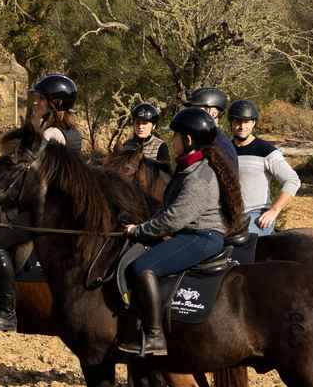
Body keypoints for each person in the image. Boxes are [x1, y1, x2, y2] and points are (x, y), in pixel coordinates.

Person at [118, 107, 243, 357]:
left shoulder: (199, 175)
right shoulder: (190, 167)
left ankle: (154, 336)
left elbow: (174, 218)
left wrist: (139, 231)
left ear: (187, 140)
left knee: (143, 268)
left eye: (175, 136)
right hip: (192, 233)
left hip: (201, 237)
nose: (171, 141)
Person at [0, 73, 81, 333]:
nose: (36, 103)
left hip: (45, 211)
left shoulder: (52, 135)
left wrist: (0, 199)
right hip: (60, 207)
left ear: (55, 104)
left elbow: (30, 176)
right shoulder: (72, 132)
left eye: (41, 99)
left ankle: (6, 311)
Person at [227, 99, 300, 236]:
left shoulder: (266, 150)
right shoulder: (225, 149)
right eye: (238, 121)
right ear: (231, 123)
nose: (242, 126)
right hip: (228, 216)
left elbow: (292, 180)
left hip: (256, 215)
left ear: (254, 123)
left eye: (247, 121)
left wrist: (274, 210)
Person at [186, 86, 239, 172]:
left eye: (196, 109)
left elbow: (227, 181)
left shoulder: (220, 145)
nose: (191, 114)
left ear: (213, 113)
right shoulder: (205, 139)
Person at [117, 102, 170, 168]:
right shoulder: (127, 144)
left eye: (145, 123)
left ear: (153, 126)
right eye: (137, 123)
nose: (140, 126)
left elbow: (165, 174)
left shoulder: (160, 146)